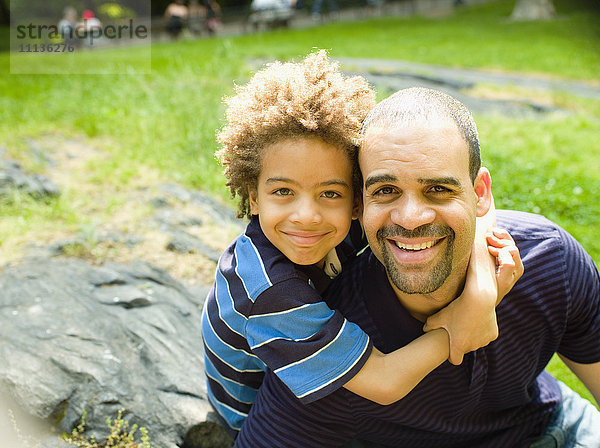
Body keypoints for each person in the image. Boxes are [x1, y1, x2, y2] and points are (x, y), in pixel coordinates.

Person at [234, 87, 600, 447]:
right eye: (386, 190)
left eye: (439, 189)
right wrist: (461, 321)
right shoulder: (322, 340)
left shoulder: (547, 259)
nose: (410, 219)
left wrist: (482, 290)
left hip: (552, 427)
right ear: (362, 204)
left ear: (480, 194)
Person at [201, 53, 522, 438]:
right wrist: (460, 323)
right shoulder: (267, 291)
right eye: (283, 191)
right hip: (259, 412)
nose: (307, 215)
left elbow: (478, 210)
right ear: (253, 197)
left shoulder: (345, 221)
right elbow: (384, 382)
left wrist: (483, 289)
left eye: (330, 193)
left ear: (358, 200)